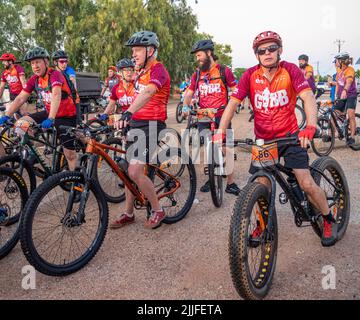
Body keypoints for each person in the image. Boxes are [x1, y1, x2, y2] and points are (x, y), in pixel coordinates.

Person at [215, 31, 337, 247]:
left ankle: (328, 218)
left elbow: (308, 97)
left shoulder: (290, 70)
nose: (267, 53)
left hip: (290, 137)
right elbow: (232, 104)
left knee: (306, 183)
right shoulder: (249, 75)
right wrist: (220, 131)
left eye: (271, 48)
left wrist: (310, 126)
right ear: (257, 55)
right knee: (261, 184)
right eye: (262, 50)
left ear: (279, 50)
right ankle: (262, 223)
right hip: (264, 140)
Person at [110, 31, 171, 230]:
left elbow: (149, 92)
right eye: (133, 50)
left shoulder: (158, 70)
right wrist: (123, 118)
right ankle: (129, 213)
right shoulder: (140, 73)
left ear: (150, 50)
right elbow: (133, 97)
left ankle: (158, 209)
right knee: (127, 172)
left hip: (152, 125)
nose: (133, 54)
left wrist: (128, 112)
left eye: (137, 50)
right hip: (135, 125)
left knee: (135, 171)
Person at [0, 47, 78, 170]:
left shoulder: (55, 74)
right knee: (20, 124)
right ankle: (34, 153)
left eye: (38, 62)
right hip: (49, 113)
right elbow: (20, 98)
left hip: (66, 116)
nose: (35, 66)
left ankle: (77, 181)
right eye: (32, 63)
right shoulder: (34, 79)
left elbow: (56, 95)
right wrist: (7, 115)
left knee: (70, 154)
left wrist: (51, 118)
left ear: (46, 62)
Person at [182, 39, 241, 196]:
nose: (197, 58)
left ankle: (230, 182)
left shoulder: (223, 71)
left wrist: (234, 104)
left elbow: (235, 89)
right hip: (203, 115)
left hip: (222, 115)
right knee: (208, 146)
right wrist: (186, 106)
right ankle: (211, 178)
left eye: (199, 55)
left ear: (209, 53)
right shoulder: (197, 74)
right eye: (196, 56)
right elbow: (189, 92)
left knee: (225, 147)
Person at [334, 52, 357, 146]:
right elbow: (338, 84)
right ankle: (338, 131)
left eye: (337, 60)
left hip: (351, 95)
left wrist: (345, 90)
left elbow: (349, 81)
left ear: (342, 61)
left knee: (350, 114)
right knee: (335, 113)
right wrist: (336, 95)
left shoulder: (350, 70)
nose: (335, 62)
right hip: (341, 96)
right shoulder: (339, 72)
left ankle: (352, 137)